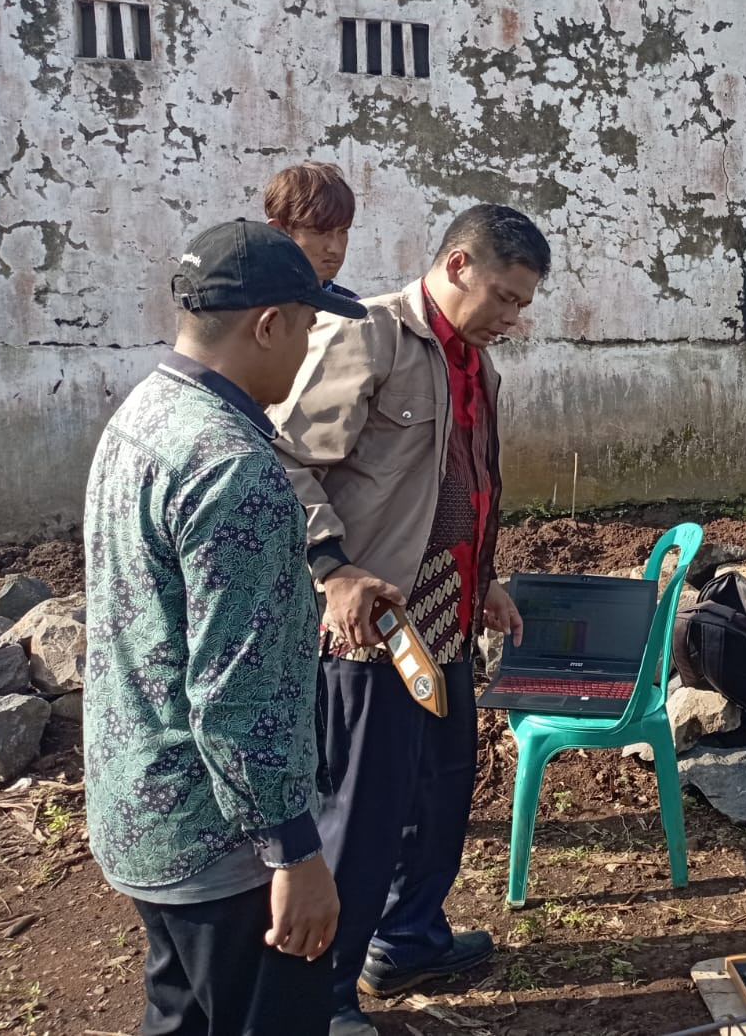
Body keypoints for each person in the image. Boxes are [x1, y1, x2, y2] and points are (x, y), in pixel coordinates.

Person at [270, 203, 549, 1036]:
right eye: (503, 297)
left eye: (523, 306)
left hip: (449, 619)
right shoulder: (370, 338)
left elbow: (458, 483)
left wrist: (485, 578)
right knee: (361, 813)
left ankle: (410, 938)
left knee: (440, 791)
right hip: (372, 626)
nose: (510, 319)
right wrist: (332, 569)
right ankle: (321, 998)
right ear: (457, 265)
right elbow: (283, 461)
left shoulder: (477, 366)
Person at [83, 219, 367, 1036]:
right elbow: (239, 694)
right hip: (225, 847)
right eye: (309, 326)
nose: (310, 346)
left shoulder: (143, 416)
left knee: (180, 1016)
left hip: (143, 807)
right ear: (267, 324)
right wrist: (294, 855)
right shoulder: (233, 468)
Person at [264, 161, 362, 301]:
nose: (336, 248)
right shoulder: (249, 310)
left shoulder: (353, 307)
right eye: (320, 232)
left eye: (343, 231)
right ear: (279, 231)